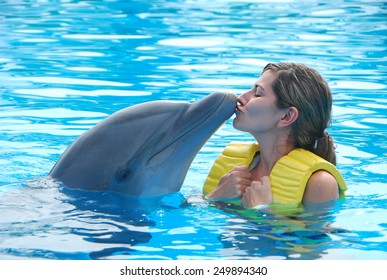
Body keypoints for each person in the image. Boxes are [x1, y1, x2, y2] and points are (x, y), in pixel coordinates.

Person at [203, 62, 347, 209]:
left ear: (286, 116)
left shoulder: (319, 182)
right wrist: (216, 195)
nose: (241, 98)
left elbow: (316, 232)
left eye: (258, 93)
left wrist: (262, 211)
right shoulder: (234, 168)